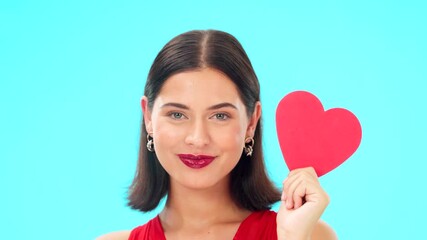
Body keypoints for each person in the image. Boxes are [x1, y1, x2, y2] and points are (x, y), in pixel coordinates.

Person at [98, 30, 337, 240]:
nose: (198, 138)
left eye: (220, 116)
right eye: (177, 115)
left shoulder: (309, 234)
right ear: (148, 117)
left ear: (251, 122)